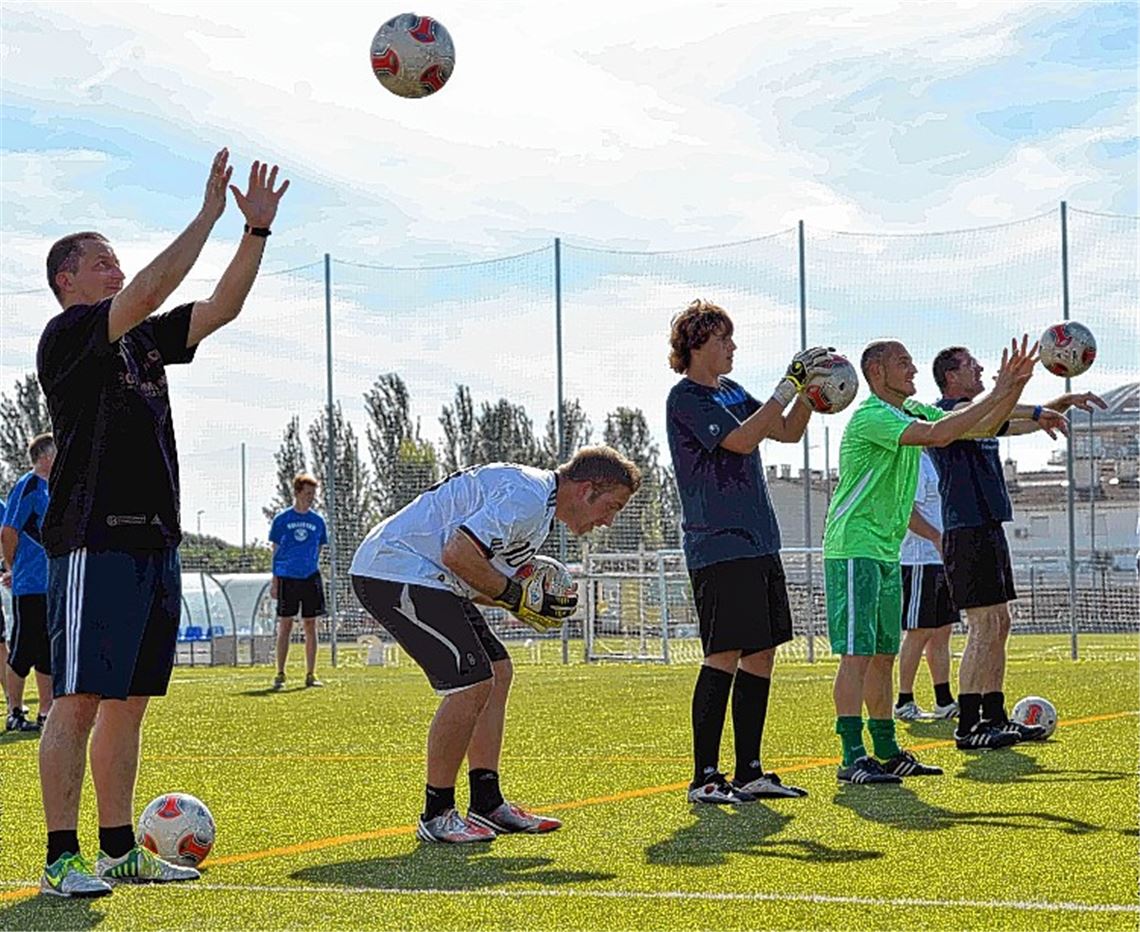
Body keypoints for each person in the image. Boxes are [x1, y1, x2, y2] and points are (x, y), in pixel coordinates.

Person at [36, 149, 289, 897]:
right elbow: (149, 290)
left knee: (129, 703)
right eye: (101, 262)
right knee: (77, 700)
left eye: (117, 261)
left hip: (153, 539)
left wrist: (254, 234)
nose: (115, 271)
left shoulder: (143, 340)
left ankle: (119, 850)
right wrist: (207, 215)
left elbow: (221, 308)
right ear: (67, 281)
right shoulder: (69, 336)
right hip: (93, 537)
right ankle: (60, 857)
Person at [350, 446, 641, 843]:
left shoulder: (539, 508)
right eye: (613, 506)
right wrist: (517, 597)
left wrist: (522, 602)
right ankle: (437, 814)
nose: (609, 520)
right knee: (470, 683)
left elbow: (476, 574)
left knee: (497, 671)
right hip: (394, 569)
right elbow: (459, 554)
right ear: (588, 489)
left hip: (428, 575)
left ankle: (487, 804)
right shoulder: (528, 496)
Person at [823, 336, 1037, 785]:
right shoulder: (873, 416)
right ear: (877, 372)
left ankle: (885, 749)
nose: (914, 371)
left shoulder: (910, 411)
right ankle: (851, 755)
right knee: (858, 656)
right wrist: (1002, 389)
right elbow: (943, 434)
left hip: (883, 549)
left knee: (882, 655)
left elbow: (970, 424)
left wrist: (1014, 392)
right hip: (854, 548)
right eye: (904, 363)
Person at [665, 299, 832, 804]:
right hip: (719, 545)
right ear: (697, 345)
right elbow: (740, 440)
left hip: (760, 540)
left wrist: (810, 393)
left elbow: (784, 430)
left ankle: (750, 770)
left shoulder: (734, 390)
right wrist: (789, 383)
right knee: (723, 655)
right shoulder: (686, 398)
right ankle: (705, 777)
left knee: (761, 654)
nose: (733, 347)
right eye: (723, 339)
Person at [927, 346, 1106, 749]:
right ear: (951, 376)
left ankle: (995, 715)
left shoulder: (985, 416)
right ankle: (968, 726)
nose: (981, 368)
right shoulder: (941, 415)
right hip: (966, 530)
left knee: (1001, 622)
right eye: (972, 365)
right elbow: (995, 415)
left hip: (988, 527)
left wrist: (1056, 404)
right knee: (983, 625)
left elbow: (1012, 420)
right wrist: (1025, 397)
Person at [893, 450, 958, 722]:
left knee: (942, 631)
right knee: (918, 631)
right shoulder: (916, 461)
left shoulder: (939, 459)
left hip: (941, 560)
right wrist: (936, 538)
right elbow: (906, 509)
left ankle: (944, 700)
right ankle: (904, 700)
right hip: (919, 559)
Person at [1, 433, 57, 734]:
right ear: (46, 455)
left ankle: (46, 710)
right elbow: (8, 531)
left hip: (54, 585)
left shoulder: (56, 488)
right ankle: (14, 710)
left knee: (48, 649)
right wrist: (14, 567)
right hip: (31, 584)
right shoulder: (29, 486)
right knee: (24, 648)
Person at [269, 473, 329, 690]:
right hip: (287, 577)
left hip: (310, 577)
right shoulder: (282, 520)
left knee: (311, 625)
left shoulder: (318, 521)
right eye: (307, 493)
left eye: (313, 494)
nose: (311, 497)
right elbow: (275, 551)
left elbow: (319, 547)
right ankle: (280, 673)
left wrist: (311, 566)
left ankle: (311, 674)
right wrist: (275, 580)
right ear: (296, 493)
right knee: (285, 625)